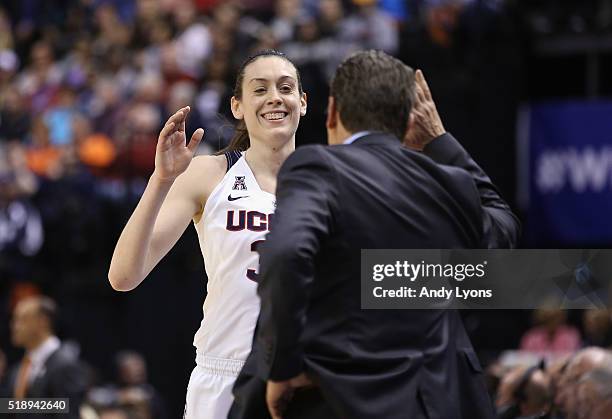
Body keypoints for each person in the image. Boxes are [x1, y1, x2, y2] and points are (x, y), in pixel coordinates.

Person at [230, 50, 519, 419]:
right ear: (411, 117)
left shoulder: (317, 165)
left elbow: (286, 255)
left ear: (332, 111)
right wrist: (440, 141)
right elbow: (504, 228)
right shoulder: (451, 182)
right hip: (438, 401)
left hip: (338, 400)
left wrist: (282, 366)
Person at [107, 49, 307, 419]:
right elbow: (123, 276)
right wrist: (161, 180)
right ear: (238, 106)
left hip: (304, 380)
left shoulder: (328, 183)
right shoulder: (211, 173)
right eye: (259, 89)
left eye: (285, 87)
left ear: (303, 102)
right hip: (224, 376)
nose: (275, 97)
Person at [4, 296, 87, 419]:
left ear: (43, 321)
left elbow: (67, 409)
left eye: (22, 320)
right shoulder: (17, 369)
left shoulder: (65, 365)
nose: (15, 327)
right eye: (14, 320)